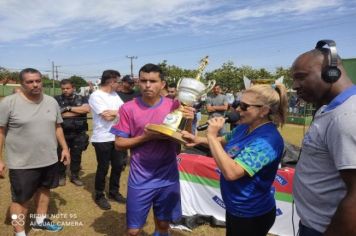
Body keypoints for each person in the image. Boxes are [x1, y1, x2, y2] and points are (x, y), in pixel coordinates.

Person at [182, 83, 288, 236]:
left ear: (264, 111)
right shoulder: (244, 127)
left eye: (245, 106)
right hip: (235, 208)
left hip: (252, 215)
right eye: (237, 104)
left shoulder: (268, 141)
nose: (237, 110)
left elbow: (231, 172)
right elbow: (223, 141)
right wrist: (197, 139)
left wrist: (211, 136)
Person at [110, 63, 194, 236]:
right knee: (133, 231)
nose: (148, 85)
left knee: (163, 225)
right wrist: (146, 137)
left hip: (167, 176)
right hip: (141, 178)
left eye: (153, 81)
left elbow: (187, 139)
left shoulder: (176, 106)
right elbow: (119, 144)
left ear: (162, 84)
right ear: (138, 82)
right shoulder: (128, 108)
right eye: (143, 81)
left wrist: (190, 120)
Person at [291, 40, 356, 236]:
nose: (294, 86)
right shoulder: (329, 109)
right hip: (313, 225)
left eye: (301, 77)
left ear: (331, 72)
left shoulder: (347, 116)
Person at [0, 68, 70, 235]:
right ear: (22, 83)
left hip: (49, 159)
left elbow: (57, 126)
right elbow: (0, 131)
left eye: (38, 81)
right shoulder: (9, 103)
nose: (35, 85)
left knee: (45, 190)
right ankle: (20, 233)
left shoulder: (51, 102)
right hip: (22, 162)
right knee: (20, 199)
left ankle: (40, 221)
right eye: (30, 82)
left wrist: (65, 148)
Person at [89, 70, 126, 210]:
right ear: (111, 81)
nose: (120, 84)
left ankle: (114, 192)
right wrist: (119, 113)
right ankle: (99, 195)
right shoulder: (96, 96)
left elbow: (124, 112)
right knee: (103, 168)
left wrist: (115, 112)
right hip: (102, 138)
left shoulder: (115, 95)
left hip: (117, 136)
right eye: (118, 81)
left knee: (118, 166)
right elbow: (107, 117)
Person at [55, 79, 90, 186]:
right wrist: (77, 111)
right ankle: (61, 176)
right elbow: (56, 115)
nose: (65, 90)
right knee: (60, 155)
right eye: (63, 89)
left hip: (79, 133)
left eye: (68, 88)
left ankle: (74, 176)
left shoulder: (82, 98)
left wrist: (67, 108)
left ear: (73, 88)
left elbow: (86, 110)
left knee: (76, 155)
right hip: (62, 133)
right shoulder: (56, 99)